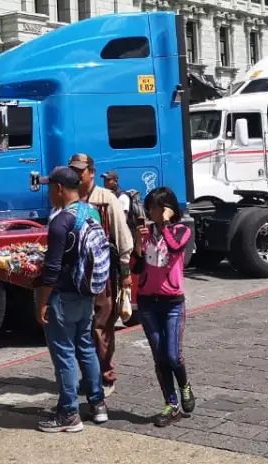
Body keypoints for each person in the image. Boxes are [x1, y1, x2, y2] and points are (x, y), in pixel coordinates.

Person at [35, 166, 107, 432]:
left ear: (59, 188)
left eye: (50, 188)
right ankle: (98, 404)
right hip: (86, 293)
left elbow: (52, 268)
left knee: (64, 355)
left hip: (63, 297)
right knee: (85, 348)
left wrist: (42, 302)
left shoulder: (60, 221)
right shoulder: (91, 212)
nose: (49, 193)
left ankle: (69, 414)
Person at [70, 154, 133, 398]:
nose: (76, 175)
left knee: (101, 327)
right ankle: (90, 375)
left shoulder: (106, 199)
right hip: (76, 276)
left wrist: (125, 273)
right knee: (81, 329)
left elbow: (123, 237)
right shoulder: (69, 199)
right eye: (73, 171)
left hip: (103, 275)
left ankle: (106, 376)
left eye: (80, 171)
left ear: (91, 173)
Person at [134, 186, 196, 427]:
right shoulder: (146, 232)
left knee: (173, 355)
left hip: (172, 302)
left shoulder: (181, 230)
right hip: (148, 301)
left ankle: (184, 385)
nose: (151, 211)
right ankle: (171, 404)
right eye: (149, 207)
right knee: (159, 357)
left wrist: (167, 225)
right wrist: (139, 245)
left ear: (167, 209)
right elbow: (138, 266)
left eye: (155, 208)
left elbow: (174, 247)